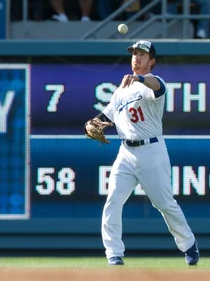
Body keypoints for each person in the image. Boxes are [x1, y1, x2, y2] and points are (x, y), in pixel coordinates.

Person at [83, 40, 200, 267]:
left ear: (152, 62)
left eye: (142, 54)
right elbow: (104, 117)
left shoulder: (151, 83)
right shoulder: (119, 92)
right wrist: (91, 124)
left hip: (151, 151)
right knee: (113, 201)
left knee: (164, 203)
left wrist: (139, 78)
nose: (136, 57)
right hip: (125, 153)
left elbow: (159, 87)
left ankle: (188, 244)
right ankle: (113, 254)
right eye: (134, 53)